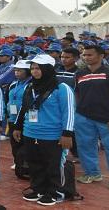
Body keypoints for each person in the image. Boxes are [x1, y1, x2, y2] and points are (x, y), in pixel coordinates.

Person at [13, 54, 75, 206]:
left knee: (53, 165)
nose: (34, 71)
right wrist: (17, 126)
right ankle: (38, 189)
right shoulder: (30, 86)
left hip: (52, 135)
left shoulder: (62, 88)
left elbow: (69, 111)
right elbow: (24, 108)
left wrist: (67, 133)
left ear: (47, 69)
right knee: (34, 164)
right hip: (30, 132)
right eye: (32, 68)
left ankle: (54, 192)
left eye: (38, 68)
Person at [74, 44, 109, 190]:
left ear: (101, 56)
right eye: (84, 55)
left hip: (108, 118)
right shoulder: (79, 74)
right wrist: (77, 114)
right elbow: (76, 94)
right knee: (85, 146)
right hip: (83, 118)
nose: (86, 57)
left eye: (90, 55)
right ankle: (92, 173)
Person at [7, 60, 31, 169]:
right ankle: (17, 161)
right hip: (12, 117)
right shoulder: (13, 84)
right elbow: (8, 99)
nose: (16, 73)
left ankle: (25, 163)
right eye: (15, 70)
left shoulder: (31, 85)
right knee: (14, 142)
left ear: (27, 71)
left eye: (20, 71)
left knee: (24, 142)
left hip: (24, 119)